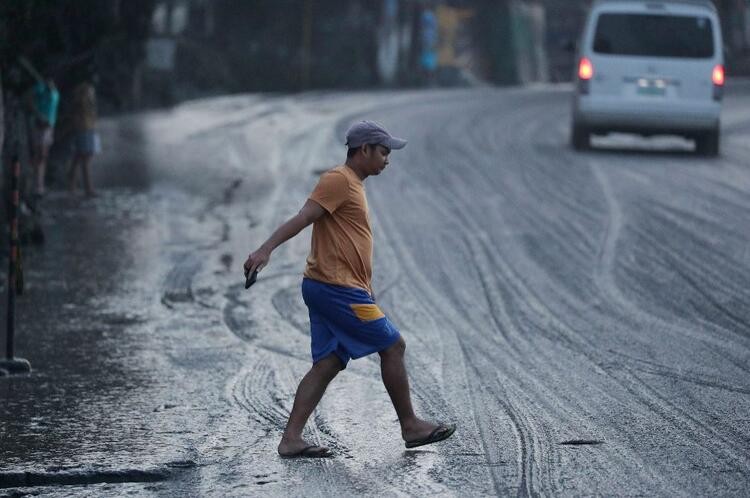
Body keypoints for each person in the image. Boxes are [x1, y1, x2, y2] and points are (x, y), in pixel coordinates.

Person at [243, 121, 456, 458]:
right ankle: (410, 425)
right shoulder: (338, 180)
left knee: (328, 363)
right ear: (364, 150)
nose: (387, 159)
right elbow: (303, 217)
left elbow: (348, 243)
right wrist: (265, 249)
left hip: (332, 287)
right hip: (335, 288)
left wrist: (366, 289)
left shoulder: (352, 184)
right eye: (384, 152)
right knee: (394, 345)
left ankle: (291, 439)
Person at [26, 71, 59, 197]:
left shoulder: (53, 89)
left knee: (43, 156)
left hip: (50, 125)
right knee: (39, 155)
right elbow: (28, 100)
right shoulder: (41, 87)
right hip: (41, 125)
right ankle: (35, 185)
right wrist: (39, 115)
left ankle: (40, 184)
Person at [67, 78, 101, 197]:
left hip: (88, 130)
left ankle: (72, 182)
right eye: (89, 93)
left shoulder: (87, 107)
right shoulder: (81, 105)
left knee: (80, 157)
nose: (92, 95)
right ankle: (88, 188)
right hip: (84, 130)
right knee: (85, 159)